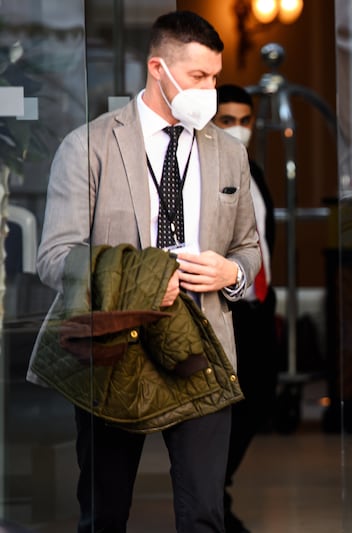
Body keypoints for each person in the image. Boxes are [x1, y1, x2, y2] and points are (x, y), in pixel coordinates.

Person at [27, 11, 260, 532]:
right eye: (199, 77)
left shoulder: (229, 154)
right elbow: (54, 256)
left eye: (215, 77)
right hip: (113, 352)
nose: (210, 90)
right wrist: (145, 278)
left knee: (204, 514)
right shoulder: (88, 146)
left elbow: (248, 247)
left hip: (203, 348)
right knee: (105, 514)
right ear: (159, 67)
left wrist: (232, 274)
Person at [213, 84, 279, 533]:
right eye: (227, 119)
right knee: (225, 409)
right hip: (224, 306)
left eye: (245, 119)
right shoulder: (204, 169)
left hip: (257, 304)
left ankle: (218, 488)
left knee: (259, 400)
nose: (239, 127)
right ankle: (212, 497)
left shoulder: (251, 168)